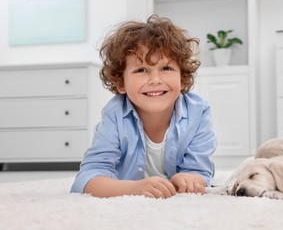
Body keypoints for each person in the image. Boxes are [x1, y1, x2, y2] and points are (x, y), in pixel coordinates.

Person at [70, 15, 217, 198]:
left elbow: (200, 172)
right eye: (141, 70)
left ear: (182, 76)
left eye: (166, 68)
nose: (155, 80)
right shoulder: (115, 114)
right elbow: (86, 179)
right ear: (120, 83)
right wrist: (132, 189)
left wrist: (190, 178)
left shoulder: (198, 111)